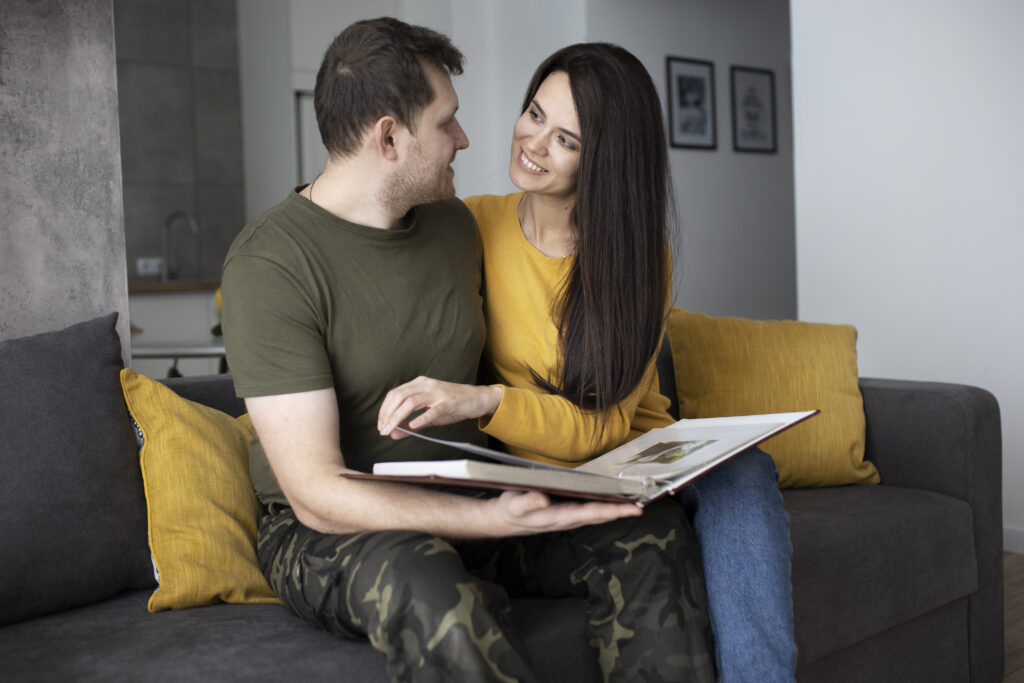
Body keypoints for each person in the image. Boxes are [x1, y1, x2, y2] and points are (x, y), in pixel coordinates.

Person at [221, 18, 714, 683]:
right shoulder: (270, 262)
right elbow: (315, 494)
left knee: (647, 535)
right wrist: (492, 519)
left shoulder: (455, 226)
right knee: (424, 576)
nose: (466, 138)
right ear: (389, 137)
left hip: (471, 497)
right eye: (447, 122)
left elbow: (546, 309)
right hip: (330, 532)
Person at [378, 43, 797, 682]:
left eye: (566, 139)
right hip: (541, 470)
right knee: (654, 530)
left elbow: (603, 427)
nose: (534, 142)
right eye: (535, 114)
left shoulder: (637, 255)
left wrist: (489, 400)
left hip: (630, 454)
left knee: (745, 474)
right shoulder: (470, 225)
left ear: (603, 161)